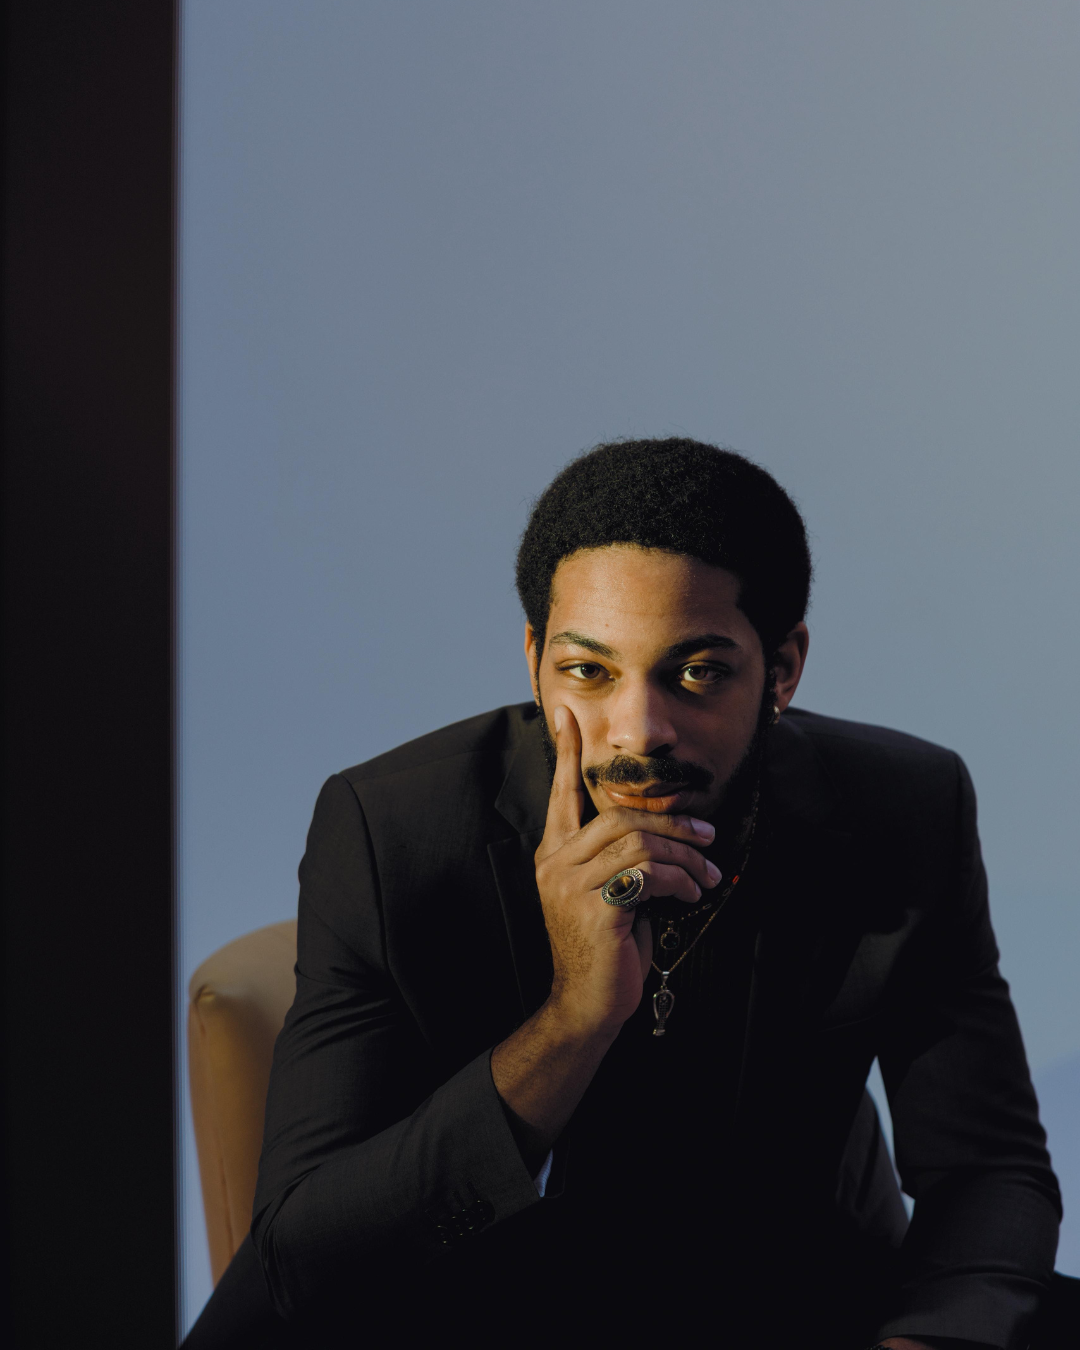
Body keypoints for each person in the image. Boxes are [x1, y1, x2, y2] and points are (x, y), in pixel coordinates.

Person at [185, 439, 1063, 1349]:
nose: (638, 729)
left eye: (697, 672)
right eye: (588, 671)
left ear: (785, 669)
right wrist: (573, 1021)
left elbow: (988, 1171)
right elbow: (302, 1264)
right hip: (468, 1303)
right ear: (535, 660)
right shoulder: (394, 833)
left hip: (786, 1291)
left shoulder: (902, 808)